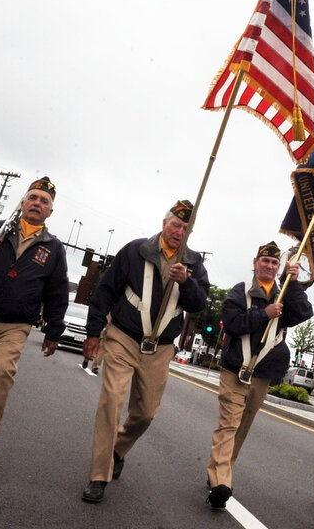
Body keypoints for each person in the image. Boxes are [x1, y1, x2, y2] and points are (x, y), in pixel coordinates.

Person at [81, 200, 209, 503]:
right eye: (175, 224)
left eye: (186, 228)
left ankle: (118, 449)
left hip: (161, 347)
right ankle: (99, 475)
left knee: (146, 413)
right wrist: (92, 332)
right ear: (164, 223)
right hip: (124, 337)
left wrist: (187, 283)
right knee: (111, 401)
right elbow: (105, 291)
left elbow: (199, 304)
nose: (179, 231)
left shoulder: (194, 264)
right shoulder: (135, 250)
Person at [0, 177, 68, 474]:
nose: (37, 203)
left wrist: (54, 331)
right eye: (33, 197)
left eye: (44, 201)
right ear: (23, 202)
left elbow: (57, 293)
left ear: (50, 212)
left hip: (16, 325)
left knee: (1, 375)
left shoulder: (54, 248)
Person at [206, 241, 313, 509]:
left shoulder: (284, 292)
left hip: (262, 373)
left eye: (275, 263)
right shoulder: (240, 291)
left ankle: (221, 473)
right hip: (235, 369)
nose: (269, 266)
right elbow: (231, 323)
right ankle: (221, 483)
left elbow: (304, 313)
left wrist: (294, 281)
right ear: (255, 263)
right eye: (265, 261)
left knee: (242, 428)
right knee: (229, 424)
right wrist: (263, 314)